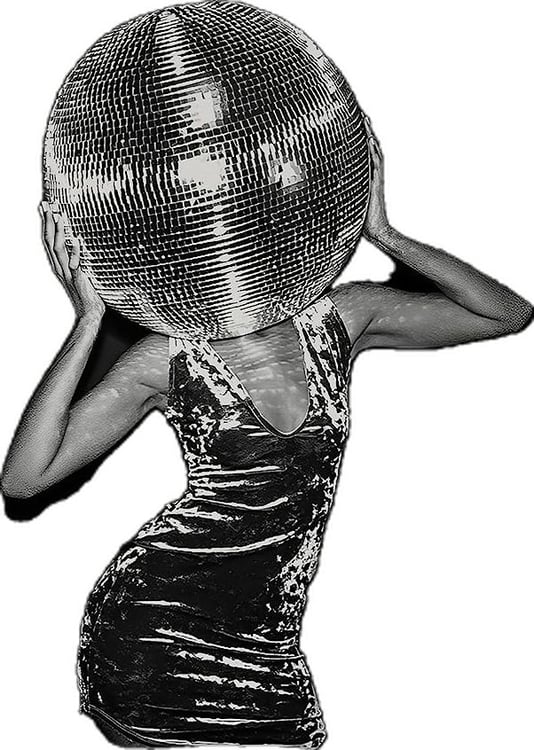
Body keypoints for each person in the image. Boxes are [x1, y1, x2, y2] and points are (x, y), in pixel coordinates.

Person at [1, 118, 532, 748]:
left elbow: (507, 313)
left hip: (269, 638)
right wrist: (88, 319)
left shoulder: (342, 316)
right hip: (156, 624)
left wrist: (385, 233)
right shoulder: (166, 357)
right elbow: (24, 478)